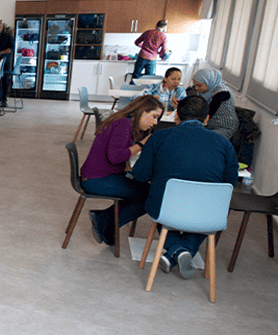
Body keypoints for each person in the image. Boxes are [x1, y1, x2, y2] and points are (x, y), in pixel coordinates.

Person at [131, 95, 239, 278]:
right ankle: (184, 249)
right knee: (217, 209)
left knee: (158, 199)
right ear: (207, 119)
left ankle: (177, 250)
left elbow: (140, 175)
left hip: (167, 208)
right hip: (207, 214)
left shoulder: (159, 137)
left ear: (176, 116)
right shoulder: (224, 143)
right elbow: (230, 182)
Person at [82, 96, 164, 246]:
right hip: (96, 179)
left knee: (145, 190)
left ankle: (106, 221)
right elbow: (115, 157)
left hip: (101, 176)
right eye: (154, 116)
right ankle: (106, 220)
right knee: (151, 195)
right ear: (142, 111)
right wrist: (142, 144)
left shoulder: (124, 121)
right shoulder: (123, 123)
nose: (155, 122)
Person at [188, 68, 238, 140]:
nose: (196, 88)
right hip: (210, 126)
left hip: (225, 127)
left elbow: (209, 113)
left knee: (200, 139)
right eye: (195, 85)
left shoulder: (222, 93)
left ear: (208, 82)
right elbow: (190, 91)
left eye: (199, 85)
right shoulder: (207, 88)